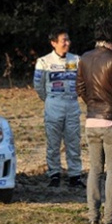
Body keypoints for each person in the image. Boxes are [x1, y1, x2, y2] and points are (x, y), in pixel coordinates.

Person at [76, 18, 112, 224]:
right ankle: (111, 216)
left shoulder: (85, 58)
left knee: (95, 169)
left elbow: (80, 87)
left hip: (92, 119)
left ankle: (93, 215)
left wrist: (91, 103)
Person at [34, 27, 84, 188]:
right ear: (53, 43)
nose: (67, 43)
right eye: (64, 40)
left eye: (68, 39)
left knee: (73, 140)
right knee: (53, 142)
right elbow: (38, 85)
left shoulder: (76, 60)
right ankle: (54, 174)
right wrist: (49, 100)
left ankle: (75, 175)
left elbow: (83, 81)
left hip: (72, 103)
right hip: (53, 103)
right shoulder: (43, 62)